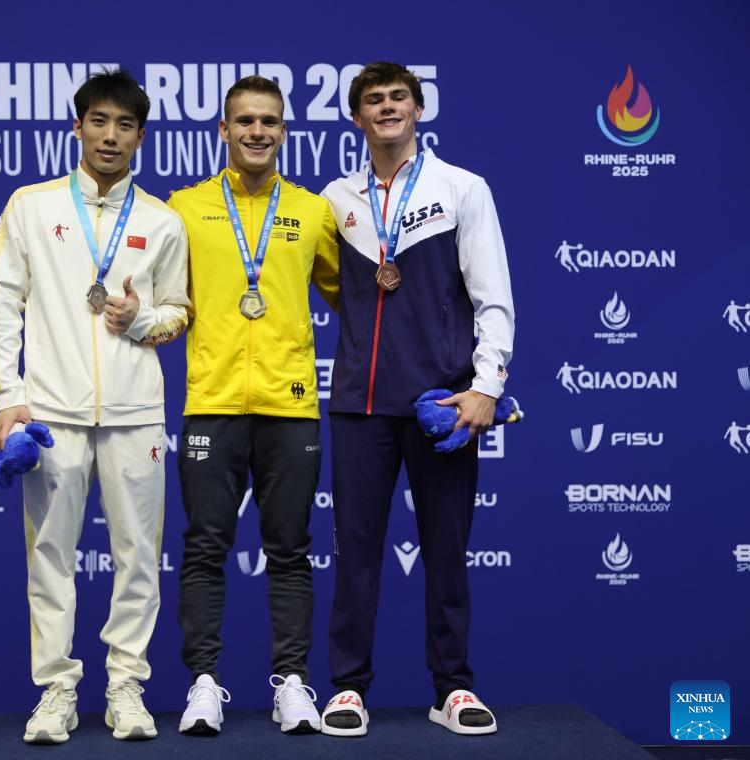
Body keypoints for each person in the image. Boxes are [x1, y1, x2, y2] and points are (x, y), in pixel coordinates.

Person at [0, 68, 190, 744]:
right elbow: (2, 303)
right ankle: (56, 692)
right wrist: (9, 398)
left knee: (138, 559)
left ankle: (126, 687)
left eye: (124, 125)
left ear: (140, 136)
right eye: (98, 121)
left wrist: (139, 320)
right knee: (49, 555)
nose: (110, 135)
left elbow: (178, 311)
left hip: (136, 413)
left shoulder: (162, 219)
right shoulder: (31, 206)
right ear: (77, 127)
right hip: (50, 414)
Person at [319, 61, 514, 737]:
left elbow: (492, 297)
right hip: (359, 404)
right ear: (357, 118)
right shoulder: (335, 199)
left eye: (397, 97)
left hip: (442, 404)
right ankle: (347, 689)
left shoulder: (462, 188)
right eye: (372, 100)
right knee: (355, 555)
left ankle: (453, 689)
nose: (386, 108)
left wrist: (484, 387)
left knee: (447, 552)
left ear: (419, 108)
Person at [166, 75, 339, 736]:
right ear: (224, 130)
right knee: (204, 548)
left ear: (284, 131)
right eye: (244, 121)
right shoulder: (184, 208)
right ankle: (203, 684)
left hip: (290, 406)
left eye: (269, 121)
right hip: (211, 403)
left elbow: (354, 299)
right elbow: (160, 298)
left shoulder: (313, 212)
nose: (257, 132)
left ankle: (292, 683)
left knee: (289, 549)